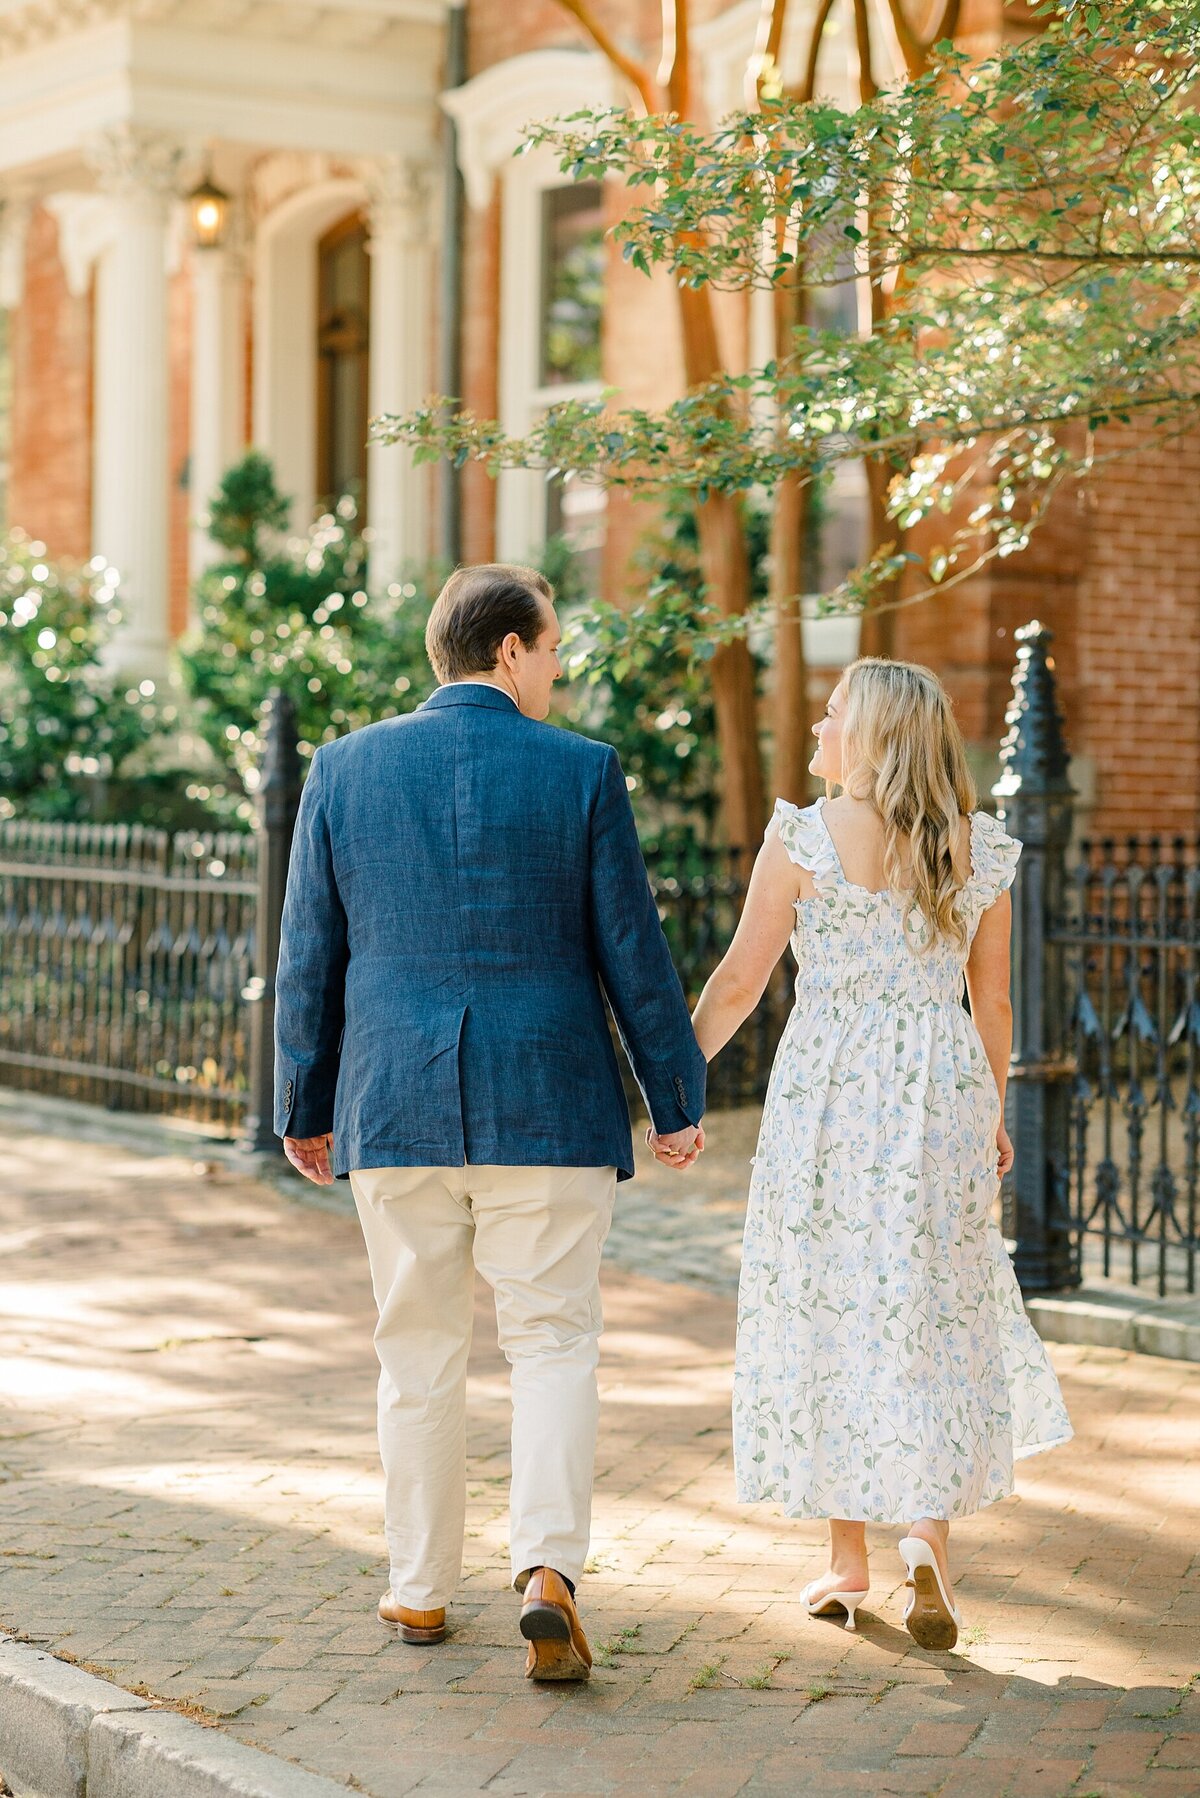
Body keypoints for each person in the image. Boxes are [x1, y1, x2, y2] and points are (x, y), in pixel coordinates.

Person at [274, 563, 706, 1681]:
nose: (559, 666)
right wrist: (677, 1095)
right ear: (509, 651)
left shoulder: (343, 768)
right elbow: (633, 951)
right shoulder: (581, 771)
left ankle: (419, 1593)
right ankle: (549, 1571)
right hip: (549, 1101)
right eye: (553, 646)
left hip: (396, 1102)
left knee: (416, 1349)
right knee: (553, 1340)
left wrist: (302, 1102)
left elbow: (310, 955)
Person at [674, 657, 1071, 1650]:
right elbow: (994, 1002)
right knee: (922, 1303)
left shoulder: (803, 836)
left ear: (876, 734)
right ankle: (925, 1536)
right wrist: (989, 1110)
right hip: (940, 1091)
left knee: (828, 1298)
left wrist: (669, 1084)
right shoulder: (973, 850)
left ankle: (847, 1557)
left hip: (827, 1097)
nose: (819, 724)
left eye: (834, 712)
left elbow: (736, 983)